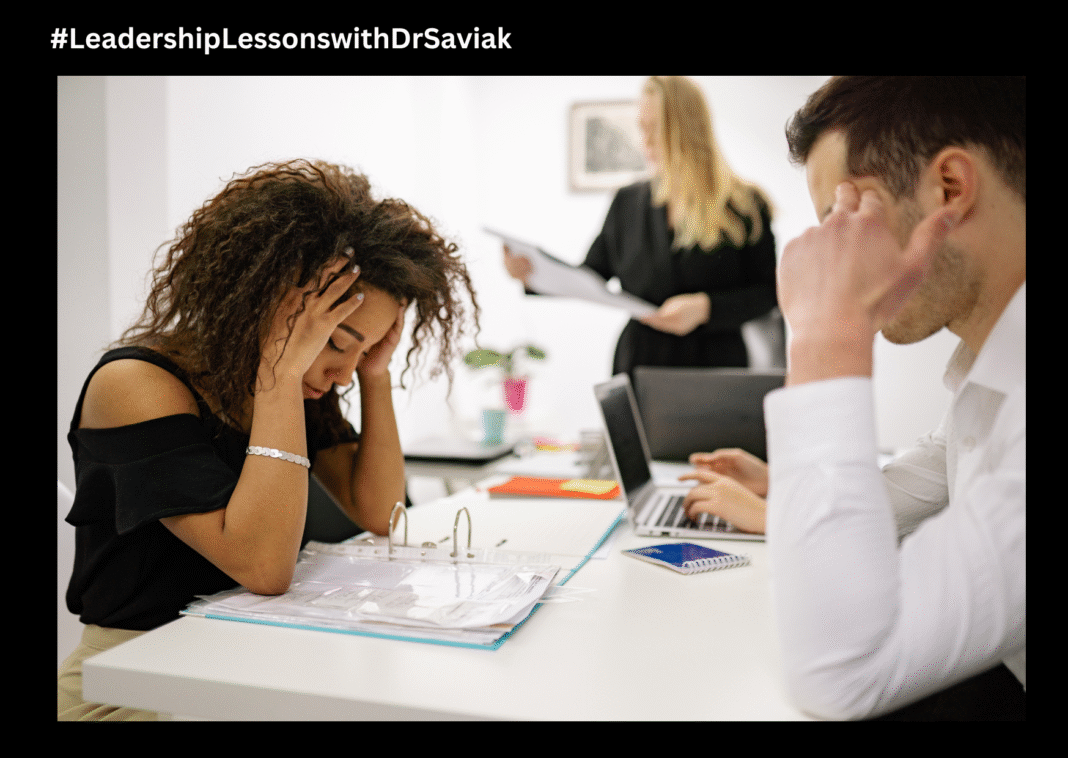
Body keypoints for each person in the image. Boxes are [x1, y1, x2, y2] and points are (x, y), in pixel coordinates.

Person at [58, 159, 479, 720]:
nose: (344, 375)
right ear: (271, 303)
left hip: (249, 665)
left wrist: (376, 375)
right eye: (338, 343)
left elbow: (381, 512)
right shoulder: (136, 385)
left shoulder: (298, 388)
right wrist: (280, 374)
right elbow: (263, 568)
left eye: (365, 350)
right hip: (135, 686)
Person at [760, 76, 1025, 720]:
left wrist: (827, 334)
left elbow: (842, 677)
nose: (833, 248)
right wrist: (781, 494)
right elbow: (937, 469)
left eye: (845, 217)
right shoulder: (993, 370)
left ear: (949, 188)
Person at [503, 76, 777, 379]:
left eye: (655, 128)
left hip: (716, 369)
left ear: (687, 129)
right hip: (639, 365)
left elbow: (769, 293)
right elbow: (591, 276)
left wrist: (705, 308)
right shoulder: (627, 202)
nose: (644, 140)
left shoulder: (745, 205)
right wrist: (533, 273)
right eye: (641, 127)